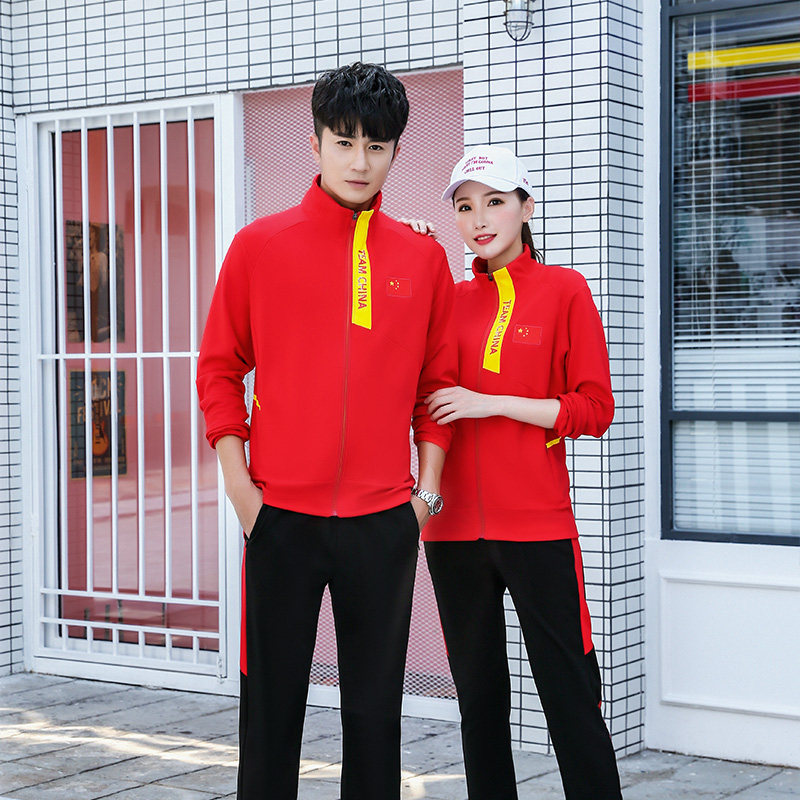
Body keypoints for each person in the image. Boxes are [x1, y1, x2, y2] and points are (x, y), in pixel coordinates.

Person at [196, 63, 456, 800]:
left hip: (383, 521)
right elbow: (219, 369)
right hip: (279, 517)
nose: (359, 162)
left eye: (377, 146)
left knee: (375, 717)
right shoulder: (260, 246)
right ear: (314, 144)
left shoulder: (423, 257)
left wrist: (424, 498)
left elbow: (435, 389)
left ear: (396, 151)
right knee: (270, 710)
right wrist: (242, 490)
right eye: (344, 142)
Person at [419, 145, 623, 800]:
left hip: (537, 527)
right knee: (479, 706)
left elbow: (595, 409)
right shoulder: (447, 301)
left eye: (495, 202)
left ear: (526, 208)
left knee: (570, 699)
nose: (479, 219)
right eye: (464, 207)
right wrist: (410, 260)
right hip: (451, 534)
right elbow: (414, 392)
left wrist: (493, 402)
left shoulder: (565, 290)